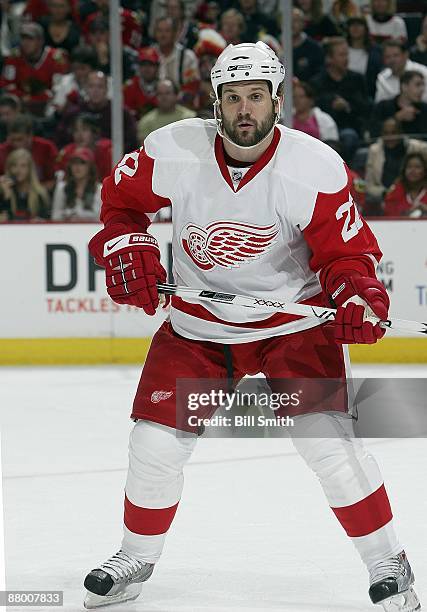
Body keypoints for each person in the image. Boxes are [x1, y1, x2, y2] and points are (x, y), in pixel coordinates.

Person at [83, 41, 421, 612]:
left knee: (329, 447)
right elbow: (119, 204)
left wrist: (356, 293)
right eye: (233, 97)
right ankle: (134, 557)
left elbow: (345, 256)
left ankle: (388, 562)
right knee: (154, 444)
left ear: (277, 100)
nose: (245, 110)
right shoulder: (173, 149)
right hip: (199, 327)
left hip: (291, 325)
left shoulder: (313, 166)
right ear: (217, 101)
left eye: (256, 97)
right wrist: (126, 242)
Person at [310, 36, 370, 162]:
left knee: (349, 136)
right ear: (329, 58)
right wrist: (332, 106)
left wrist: (348, 106)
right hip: (323, 129)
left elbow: (366, 107)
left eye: (347, 54)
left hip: (351, 127)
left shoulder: (357, 79)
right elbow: (313, 108)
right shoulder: (317, 82)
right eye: (342, 55)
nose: (346, 59)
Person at [0, 21, 69, 116]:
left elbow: (59, 89)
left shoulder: (56, 58)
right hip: (19, 106)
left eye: (30, 39)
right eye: (23, 39)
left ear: (40, 41)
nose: (25, 43)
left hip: (48, 107)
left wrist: (38, 99)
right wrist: (23, 98)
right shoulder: (13, 57)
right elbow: (7, 84)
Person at [365, 116, 427, 211]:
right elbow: (369, 185)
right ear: (381, 134)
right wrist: (385, 193)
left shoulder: (419, 147)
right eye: (386, 133)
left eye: (394, 132)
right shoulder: (374, 151)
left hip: (417, 192)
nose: (390, 137)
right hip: (386, 197)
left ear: (401, 133)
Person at [153, 16, 201, 110]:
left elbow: (192, 86)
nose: (163, 35)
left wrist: (172, 102)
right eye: (159, 31)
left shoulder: (187, 57)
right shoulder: (149, 54)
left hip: (181, 108)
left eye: (167, 31)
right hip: (154, 107)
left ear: (175, 34)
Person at [0, 114, 58, 190]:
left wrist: (33, 191)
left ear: (30, 136)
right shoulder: (2, 150)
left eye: (19, 139)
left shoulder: (47, 148)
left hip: (41, 193)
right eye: (12, 140)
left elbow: (53, 180)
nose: (15, 143)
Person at [370, 70, 427, 138]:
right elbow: (373, 132)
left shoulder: (424, 108)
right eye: (417, 85)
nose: (422, 89)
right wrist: (397, 118)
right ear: (404, 87)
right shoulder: (383, 106)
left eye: (423, 85)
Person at [55, 113, 112, 180]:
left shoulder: (106, 150)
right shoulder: (66, 151)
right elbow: (59, 175)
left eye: (84, 129)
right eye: (76, 130)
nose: (79, 135)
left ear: (94, 133)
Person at [137, 78, 196, 143]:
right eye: (160, 94)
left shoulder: (190, 118)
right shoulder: (146, 122)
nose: (163, 97)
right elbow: (144, 149)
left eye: (167, 93)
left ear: (176, 95)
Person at [51, 146, 101, 221]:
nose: (77, 167)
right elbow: (55, 216)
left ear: (90, 166)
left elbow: (100, 217)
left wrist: (79, 216)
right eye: (74, 163)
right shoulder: (62, 188)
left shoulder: (99, 189)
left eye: (82, 163)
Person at [0, 148, 50, 221]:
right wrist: (6, 197)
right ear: (9, 168)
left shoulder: (40, 193)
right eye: (14, 165)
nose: (18, 170)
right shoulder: (2, 191)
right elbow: (5, 218)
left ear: (29, 169)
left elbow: (46, 219)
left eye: (23, 166)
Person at [375, 39, 427, 104]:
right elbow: (380, 106)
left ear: (406, 55)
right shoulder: (382, 77)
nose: (392, 60)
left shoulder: (424, 72)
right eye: (387, 57)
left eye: (396, 55)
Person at [346, 15, 383, 99]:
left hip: (368, 95)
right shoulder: (341, 48)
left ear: (366, 29)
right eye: (352, 25)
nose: (355, 28)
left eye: (359, 25)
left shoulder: (376, 51)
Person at [384, 151, 427, 217]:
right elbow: (389, 213)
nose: (412, 170)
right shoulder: (396, 190)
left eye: (417, 167)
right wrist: (407, 212)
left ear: (425, 171)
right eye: (409, 167)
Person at [123, 46, 160, 121]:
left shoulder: (164, 87)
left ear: (157, 67)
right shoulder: (129, 87)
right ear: (138, 67)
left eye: (151, 64)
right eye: (143, 64)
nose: (147, 68)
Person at [292, 7, 325, 83]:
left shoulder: (314, 48)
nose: (291, 24)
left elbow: (319, 74)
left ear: (303, 24)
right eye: (289, 20)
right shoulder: (276, 46)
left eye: (296, 20)